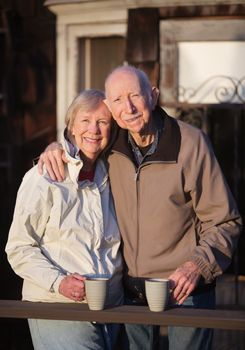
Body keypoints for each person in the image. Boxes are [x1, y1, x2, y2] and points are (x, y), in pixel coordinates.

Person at [37, 66, 242, 350]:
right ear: (109, 106)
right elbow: (81, 138)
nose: (128, 107)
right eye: (118, 100)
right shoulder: (110, 144)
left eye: (135, 95)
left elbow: (225, 221)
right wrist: (54, 147)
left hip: (187, 288)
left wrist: (198, 266)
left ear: (153, 96)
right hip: (131, 291)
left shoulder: (191, 143)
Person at [5, 89, 123, 350]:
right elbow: (19, 248)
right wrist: (59, 282)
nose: (94, 129)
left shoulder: (114, 176)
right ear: (70, 126)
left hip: (111, 310)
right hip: (57, 306)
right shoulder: (43, 176)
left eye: (103, 122)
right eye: (85, 120)